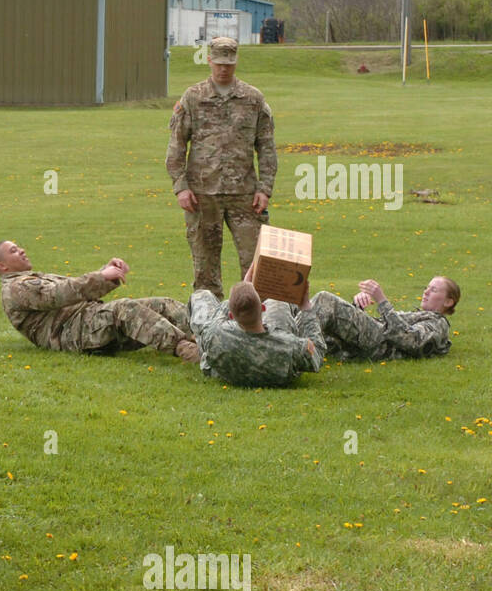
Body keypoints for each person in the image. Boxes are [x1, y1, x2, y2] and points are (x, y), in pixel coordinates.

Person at [166, 36, 277, 299]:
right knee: (205, 272)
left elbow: (267, 147)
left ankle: (257, 325)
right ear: (209, 61)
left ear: (236, 61)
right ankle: (208, 329)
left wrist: (265, 188)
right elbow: (177, 146)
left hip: (245, 197)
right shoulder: (193, 98)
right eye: (218, 63)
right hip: (202, 197)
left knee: (257, 266)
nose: (223, 69)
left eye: (228, 63)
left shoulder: (253, 99)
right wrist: (180, 187)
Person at [0, 240, 200, 361]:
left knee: (162, 304)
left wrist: (107, 273)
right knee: (125, 310)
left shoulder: (29, 279)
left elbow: (74, 290)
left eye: (18, 247)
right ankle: (188, 350)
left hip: (87, 323)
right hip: (73, 334)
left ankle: (206, 332)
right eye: (13, 251)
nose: (22, 250)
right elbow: (60, 293)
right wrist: (102, 275)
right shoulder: (15, 289)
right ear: (3, 267)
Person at [189, 267, 324, 387]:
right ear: (263, 308)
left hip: (228, 369)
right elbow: (316, 355)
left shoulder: (216, 336)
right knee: (278, 303)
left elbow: (215, 320)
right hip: (278, 364)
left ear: (231, 316)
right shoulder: (292, 346)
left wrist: (241, 292)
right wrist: (306, 308)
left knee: (201, 296)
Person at [311, 276, 459, 360]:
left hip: (380, 343)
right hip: (373, 338)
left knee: (325, 300)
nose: (426, 292)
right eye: (426, 288)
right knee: (298, 307)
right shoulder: (419, 314)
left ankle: (300, 352)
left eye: (433, 290)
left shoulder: (438, 323)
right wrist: (357, 307)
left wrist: (382, 300)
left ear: (448, 301)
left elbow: (412, 341)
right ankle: (295, 345)